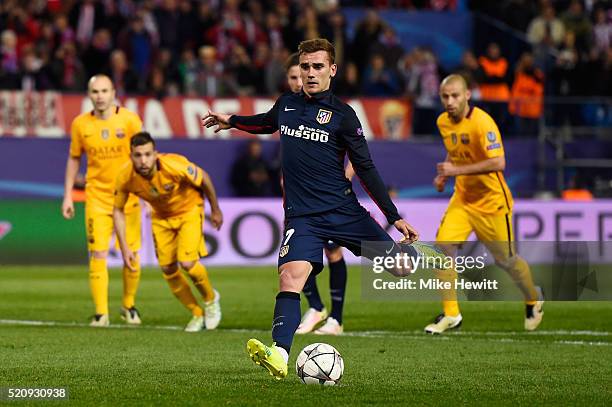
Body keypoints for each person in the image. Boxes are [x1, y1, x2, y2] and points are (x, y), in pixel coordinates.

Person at [203, 38, 440, 380]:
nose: (310, 73)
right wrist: (234, 121)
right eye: (305, 67)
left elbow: (367, 169)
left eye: (317, 67)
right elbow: (267, 122)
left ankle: (422, 254)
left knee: (403, 268)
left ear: (332, 70)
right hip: (304, 217)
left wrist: (394, 216)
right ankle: (280, 354)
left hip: (344, 212)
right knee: (290, 277)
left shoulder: (344, 117)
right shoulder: (286, 103)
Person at [428, 74, 544, 334]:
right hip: (462, 199)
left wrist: (456, 170)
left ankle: (533, 297)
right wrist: (445, 173)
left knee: (507, 261)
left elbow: (498, 163)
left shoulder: (483, 123)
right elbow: (456, 149)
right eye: (445, 96)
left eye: (455, 95)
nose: (450, 101)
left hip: (491, 202)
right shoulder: (443, 121)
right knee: (442, 249)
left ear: (468, 95)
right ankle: (451, 314)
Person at [113, 132, 223, 332]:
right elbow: (118, 210)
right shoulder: (125, 176)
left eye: (147, 154)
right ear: (130, 156)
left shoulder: (174, 165)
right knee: (168, 269)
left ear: (155, 154)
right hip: (161, 218)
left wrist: (215, 209)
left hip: (189, 211)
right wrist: (125, 247)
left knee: (188, 262)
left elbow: (204, 178)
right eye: (138, 155)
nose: (143, 160)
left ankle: (210, 300)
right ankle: (197, 314)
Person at [62, 74, 144, 327]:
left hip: (127, 198)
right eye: (95, 92)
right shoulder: (80, 124)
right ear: (89, 94)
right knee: (97, 253)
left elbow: (144, 157)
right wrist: (67, 195)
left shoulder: (130, 120)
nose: (100, 96)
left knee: (131, 256)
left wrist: (148, 193)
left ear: (113, 93)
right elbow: (75, 158)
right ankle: (101, 313)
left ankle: (128, 306)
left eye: (104, 91)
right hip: (96, 197)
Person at [283, 52, 350, 336]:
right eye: (294, 77)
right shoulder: (289, 108)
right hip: (298, 197)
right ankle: (316, 306)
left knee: (332, 252)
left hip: (328, 197)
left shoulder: (332, 109)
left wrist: (340, 181)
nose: (300, 80)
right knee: (296, 253)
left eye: (303, 75)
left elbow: (356, 155)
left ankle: (335, 317)